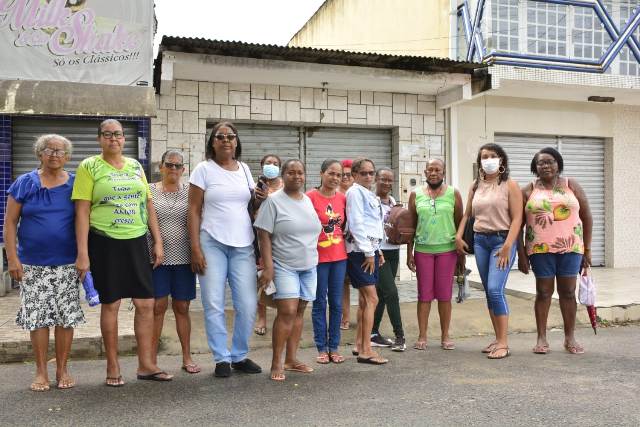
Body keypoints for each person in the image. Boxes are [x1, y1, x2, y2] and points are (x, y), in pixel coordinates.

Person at [73, 119, 172, 385]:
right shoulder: (89, 167)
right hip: (104, 241)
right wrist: (82, 252)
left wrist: (157, 240)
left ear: (124, 139)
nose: (113, 139)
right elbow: (82, 211)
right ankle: (113, 366)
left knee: (146, 303)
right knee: (112, 303)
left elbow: (148, 204)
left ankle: (146, 364)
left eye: (117, 134)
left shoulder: (135, 166)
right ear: (99, 139)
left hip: (137, 240)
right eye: (107, 135)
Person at [4, 134, 84, 391]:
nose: (54, 155)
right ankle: (41, 371)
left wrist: (84, 256)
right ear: (39, 154)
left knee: (65, 318)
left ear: (67, 157)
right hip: (32, 264)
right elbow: (9, 222)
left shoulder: (75, 184)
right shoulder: (24, 183)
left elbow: (84, 221)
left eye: (60, 151)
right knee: (37, 318)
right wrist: (12, 258)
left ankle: (62, 368)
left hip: (66, 262)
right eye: (48, 150)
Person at [188, 121, 265, 378]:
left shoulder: (244, 169)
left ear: (236, 142)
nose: (226, 140)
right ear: (212, 142)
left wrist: (259, 199)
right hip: (211, 243)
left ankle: (239, 355)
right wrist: (195, 248)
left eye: (230, 136)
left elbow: (249, 204)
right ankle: (221, 358)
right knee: (213, 302)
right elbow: (194, 210)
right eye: (220, 136)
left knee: (247, 303)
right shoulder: (203, 170)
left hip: (243, 245)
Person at [518, 147, 593, 355]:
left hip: (571, 247)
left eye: (550, 161)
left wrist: (587, 249)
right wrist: (520, 253)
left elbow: (587, 217)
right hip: (540, 249)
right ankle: (541, 338)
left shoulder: (571, 186)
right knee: (543, 293)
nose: (546, 165)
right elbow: (517, 224)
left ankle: (570, 338)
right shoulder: (528, 190)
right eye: (541, 163)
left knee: (568, 293)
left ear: (558, 164)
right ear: (535, 167)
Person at [255, 159, 322, 381]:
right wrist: (268, 266)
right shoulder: (273, 201)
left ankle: (291, 359)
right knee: (287, 311)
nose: (297, 176)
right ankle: (276, 362)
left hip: (309, 265)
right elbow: (263, 234)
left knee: (300, 310)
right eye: (291, 172)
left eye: (300, 173)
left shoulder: (307, 201)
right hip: (283, 265)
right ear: (283, 175)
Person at [455, 143, 523, 360]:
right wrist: (458, 236)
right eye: (484, 156)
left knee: (495, 289)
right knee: (488, 291)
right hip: (480, 241)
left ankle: (504, 343)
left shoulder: (510, 185)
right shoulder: (475, 186)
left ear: (501, 160)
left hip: (501, 241)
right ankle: (497, 338)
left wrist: (507, 246)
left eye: (493, 156)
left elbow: (517, 218)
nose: (489, 159)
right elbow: (467, 215)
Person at [148, 150, 200, 374]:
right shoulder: (149, 190)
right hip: (156, 257)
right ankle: (150, 359)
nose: (173, 169)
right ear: (161, 166)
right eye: (169, 165)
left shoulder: (190, 191)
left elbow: (198, 217)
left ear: (184, 169)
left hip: (184, 257)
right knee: (157, 306)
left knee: (182, 306)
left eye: (178, 166)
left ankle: (186, 356)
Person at [407, 159, 464, 351]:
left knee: (444, 295)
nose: (433, 173)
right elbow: (411, 226)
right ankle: (422, 336)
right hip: (423, 250)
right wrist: (409, 252)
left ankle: (445, 336)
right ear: (425, 172)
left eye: (437, 169)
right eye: (430, 170)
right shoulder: (415, 195)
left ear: (443, 172)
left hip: (447, 251)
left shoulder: (453, 193)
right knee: (424, 295)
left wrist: (461, 255)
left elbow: (459, 224)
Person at [346, 158, 388, 365]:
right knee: (372, 299)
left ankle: (359, 345)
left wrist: (376, 249)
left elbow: (373, 225)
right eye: (364, 173)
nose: (369, 177)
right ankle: (366, 350)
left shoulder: (367, 193)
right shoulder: (354, 192)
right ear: (354, 174)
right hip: (360, 252)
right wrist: (368, 252)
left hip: (369, 250)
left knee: (365, 300)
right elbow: (356, 223)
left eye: (372, 173)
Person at [307, 159, 348, 364]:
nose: (335, 178)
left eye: (339, 175)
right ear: (322, 173)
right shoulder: (310, 197)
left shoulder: (342, 198)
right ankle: (321, 347)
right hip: (317, 258)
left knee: (336, 303)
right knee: (319, 303)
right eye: (331, 173)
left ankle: (334, 346)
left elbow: (347, 225)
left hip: (339, 257)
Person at [371, 167, 406, 352]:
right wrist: (375, 249)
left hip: (394, 250)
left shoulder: (394, 203)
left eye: (389, 180)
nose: (386, 183)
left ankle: (372, 333)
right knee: (391, 292)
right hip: (379, 252)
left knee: (383, 294)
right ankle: (400, 335)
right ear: (376, 179)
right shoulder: (370, 201)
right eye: (382, 179)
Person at [254, 154, 284, 337]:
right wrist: (260, 197)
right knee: (263, 276)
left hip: (281, 237)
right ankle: (262, 318)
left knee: (281, 276)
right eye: (267, 163)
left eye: (275, 164)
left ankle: (283, 314)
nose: (271, 166)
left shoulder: (284, 185)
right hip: (261, 236)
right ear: (262, 165)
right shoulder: (258, 185)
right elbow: (252, 207)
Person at [339, 159, 354, 331]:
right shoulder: (334, 193)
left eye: (348, 175)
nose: (345, 178)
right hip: (338, 243)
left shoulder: (357, 193)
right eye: (342, 174)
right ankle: (345, 316)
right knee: (343, 283)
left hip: (356, 245)